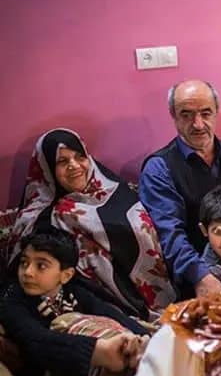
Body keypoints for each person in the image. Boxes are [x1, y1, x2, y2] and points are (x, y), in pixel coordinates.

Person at [10, 128, 175, 320]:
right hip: (100, 310)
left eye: (80, 156)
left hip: (163, 297)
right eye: (62, 161)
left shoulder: (115, 190)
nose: (74, 165)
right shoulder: (41, 219)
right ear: (46, 168)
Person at [139, 80, 221, 299]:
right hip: (196, 280)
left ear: (216, 112)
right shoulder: (159, 167)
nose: (198, 124)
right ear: (173, 115)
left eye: (206, 113)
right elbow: (170, 234)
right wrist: (201, 277)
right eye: (186, 115)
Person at [0, 228, 149, 376]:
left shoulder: (75, 292)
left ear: (66, 275)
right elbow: (35, 339)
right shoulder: (11, 300)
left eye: (40, 266)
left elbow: (109, 312)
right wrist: (100, 351)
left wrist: (144, 339)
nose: (27, 272)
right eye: (24, 263)